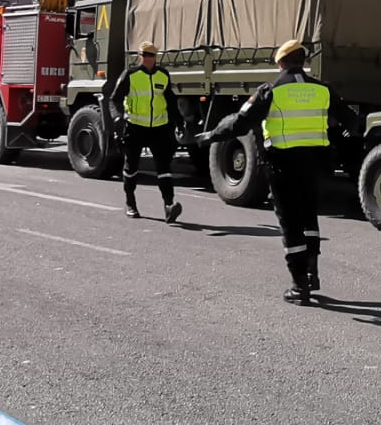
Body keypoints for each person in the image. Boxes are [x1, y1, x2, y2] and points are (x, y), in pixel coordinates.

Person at [199, 39, 329, 304]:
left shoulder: (270, 91)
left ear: (280, 62)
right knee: (309, 219)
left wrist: (211, 135)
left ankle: (299, 285)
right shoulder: (323, 90)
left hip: (282, 166)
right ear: (304, 61)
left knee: (289, 223)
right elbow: (345, 119)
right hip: (314, 165)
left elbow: (240, 123)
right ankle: (312, 273)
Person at [105, 40, 183, 223]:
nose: (146, 59)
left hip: (159, 128)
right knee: (131, 167)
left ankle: (169, 206)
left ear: (156, 57)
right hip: (135, 127)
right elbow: (113, 100)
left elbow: (170, 101)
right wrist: (118, 118)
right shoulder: (130, 75)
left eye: (150, 55)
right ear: (139, 56)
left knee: (164, 169)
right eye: (143, 55)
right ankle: (130, 203)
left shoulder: (163, 75)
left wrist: (179, 122)